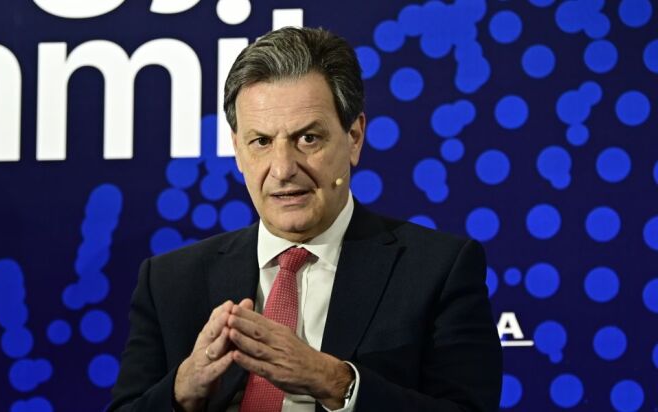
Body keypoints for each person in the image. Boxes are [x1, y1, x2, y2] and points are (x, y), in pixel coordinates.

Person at [109, 27, 502, 412]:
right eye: (261, 141)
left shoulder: (437, 270)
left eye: (308, 138)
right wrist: (182, 390)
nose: (283, 169)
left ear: (354, 137)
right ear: (237, 150)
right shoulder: (170, 282)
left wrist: (335, 382)